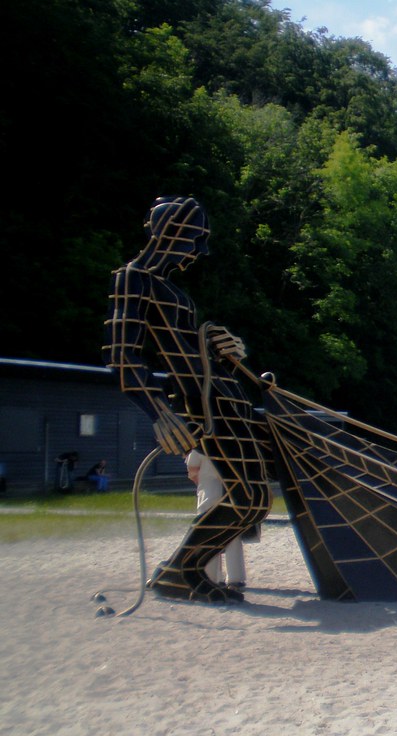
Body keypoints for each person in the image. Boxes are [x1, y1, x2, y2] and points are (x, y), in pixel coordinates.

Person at [104, 196, 272, 603]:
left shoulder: (170, 289)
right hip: (202, 405)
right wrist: (160, 412)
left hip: (222, 396)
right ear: (170, 233)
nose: (198, 252)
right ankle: (182, 571)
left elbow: (188, 354)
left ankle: (186, 571)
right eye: (194, 240)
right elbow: (122, 354)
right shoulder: (134, 277)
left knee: (256, 499)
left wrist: (221, 349)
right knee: (249, 497)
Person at [187, 450, 246, 589]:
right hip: (232, 491)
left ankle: (212, 575)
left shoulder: (201, 442)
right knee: (232, 534)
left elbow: (192, 467)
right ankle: (235, 578)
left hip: (209, 492)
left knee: (209, 535)